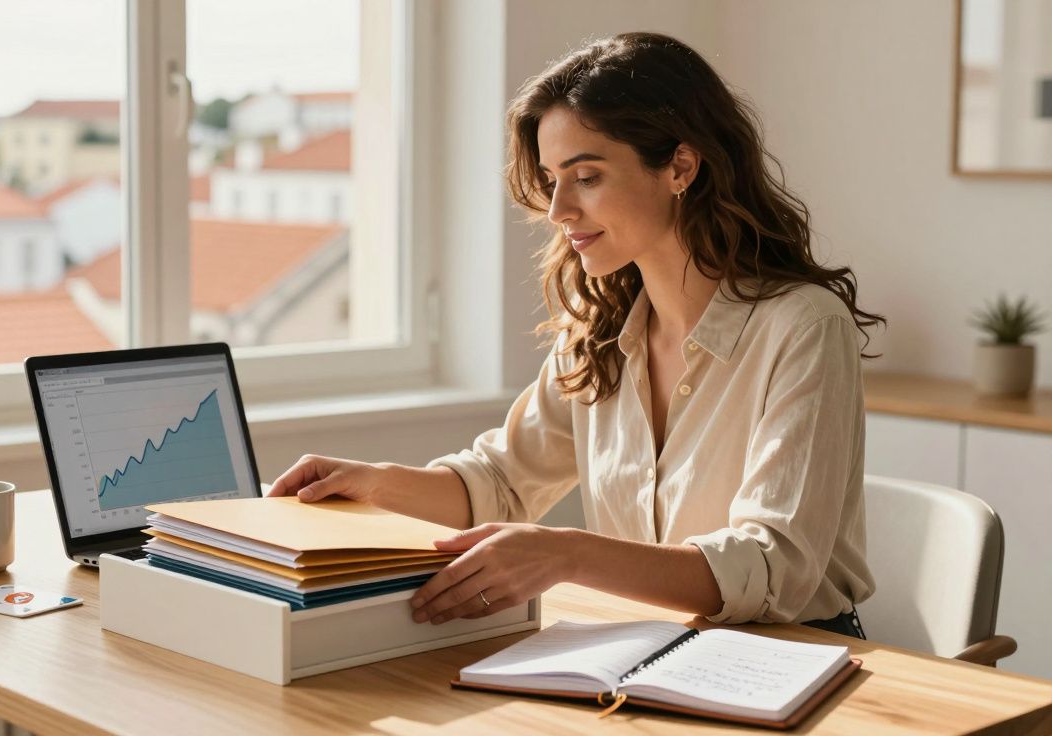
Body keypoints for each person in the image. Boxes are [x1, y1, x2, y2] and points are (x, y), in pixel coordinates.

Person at [268, 32, 883, 638]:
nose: (559, 209)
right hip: (651, 648)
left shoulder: (803, 327)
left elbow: (774, 567)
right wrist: (371, 483)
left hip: (799, 659)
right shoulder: (599, 336)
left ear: (680, 166)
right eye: (551, 178)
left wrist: (566, 555)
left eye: (586, 176)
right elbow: (501, 483)